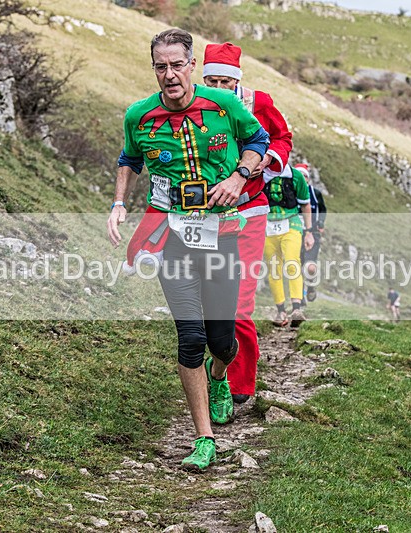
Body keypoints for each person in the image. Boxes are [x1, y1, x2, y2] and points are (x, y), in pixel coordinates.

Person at [107, 29, 269, 471]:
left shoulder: (225, 105)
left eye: (177, 64)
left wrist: (238, 177)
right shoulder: (139, 115)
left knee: (222, 341)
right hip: (173, 237)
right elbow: (129, 160)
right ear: (153, 69)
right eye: (161, 66)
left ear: (191, 65)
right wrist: (119, 204)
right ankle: (204, 438)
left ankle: (220, 377)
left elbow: (259, 143)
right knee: (191, 338)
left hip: (223, 235)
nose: (170, 74)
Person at [201, 42, 293, 405]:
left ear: (237, 80)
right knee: (208, 304)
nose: (219, 88)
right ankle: (212, 368)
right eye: (212, 81)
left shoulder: (259, 102)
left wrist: (267, 159)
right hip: (204, 216)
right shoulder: (193, 106)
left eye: (225, 82)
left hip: (250, 212)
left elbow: (283, 137)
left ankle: (238, 384)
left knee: (240, 304)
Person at [263, 163, 314, 327]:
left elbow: (305, 204)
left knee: (292, 263)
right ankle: (280, 310)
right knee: (274, 268)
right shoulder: (259, 174)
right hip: (267, 226)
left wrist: (309, 232)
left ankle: (297, 309)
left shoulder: (296, 176)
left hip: (291, 223)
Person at [295, 163, 327, 304]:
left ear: (308, 178)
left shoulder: (315, 193)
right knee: (297, 265)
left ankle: (311, 286)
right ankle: (300, 297)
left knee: (310, 267)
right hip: (295, 232)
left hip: (312, 233)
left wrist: (320, 223)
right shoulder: (290, 192)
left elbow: (323, 209)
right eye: (299, 175)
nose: (302, 178)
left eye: (305, 176)